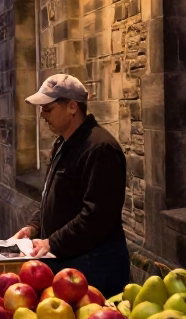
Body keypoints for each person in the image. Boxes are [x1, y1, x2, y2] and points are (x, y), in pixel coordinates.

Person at [13, 74, 131, 297]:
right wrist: (33, 226)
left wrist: (52, 242)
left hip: (94, 269)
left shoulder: (100, 148)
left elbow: (97, 216)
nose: (42, 115)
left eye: (47, 109)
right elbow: (54, 197)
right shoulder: (63, 144)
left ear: (72, 107)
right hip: (70, 262)